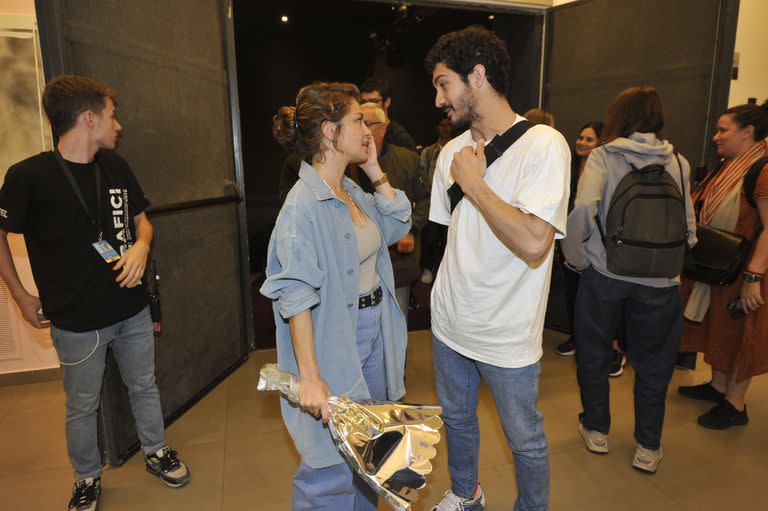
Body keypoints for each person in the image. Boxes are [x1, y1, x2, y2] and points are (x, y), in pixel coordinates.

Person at [0, 75, 189, 511]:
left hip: (132, 310)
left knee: (144, 386)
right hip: (76, 321)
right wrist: (21, 296)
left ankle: (156, 452)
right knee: (81, 407)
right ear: (88, 118)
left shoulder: (116, 166)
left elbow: (143, 221)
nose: (117, 125)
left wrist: (142, 245)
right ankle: (86, 477)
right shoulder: (28, 176)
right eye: (111, 115)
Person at [426, 26, 570, 511]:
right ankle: (466, 494)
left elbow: (534, 242)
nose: (439, 98)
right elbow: (453, 239)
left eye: (445, 83)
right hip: (449, 323)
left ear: (478, 76)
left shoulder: (544, 146)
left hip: (507, 333)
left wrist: (476, 183)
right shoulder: (449, 152)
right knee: (458, 421)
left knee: (524, 439)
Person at [261, 82, 411, 511]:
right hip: (333, 341)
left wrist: (375, 170)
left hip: (375, 334)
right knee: (326, 471)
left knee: (369, 455)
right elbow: (295, 297)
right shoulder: (301, 208)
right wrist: (309, 375)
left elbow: (399, 225)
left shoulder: (352, 190)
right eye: (358, 120)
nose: (368, 128)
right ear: (329, 131)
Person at [561, 86, 697, 474]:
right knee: (654, 363)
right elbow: (689, 223)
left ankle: (597, 429)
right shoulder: (680, 162)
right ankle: (648, 447)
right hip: (661, 280)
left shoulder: (604, 157)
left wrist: (576, 258)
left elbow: (584, 208)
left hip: (606, 272)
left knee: (594, 350)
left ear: (619, 116)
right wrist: (671, 261)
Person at [678, 102, 768, 429]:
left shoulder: (762, 169)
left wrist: (754, 276)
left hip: (747, 268)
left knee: (742, 334)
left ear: (748, 132)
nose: (716, 137)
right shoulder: (728, 165)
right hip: (722, 265)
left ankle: (735, 404)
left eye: (723, 130)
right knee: (719, 328)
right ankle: (718, 387)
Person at [555, 121, 629, 378]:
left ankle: (615, 349)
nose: (582, 142)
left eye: (589, 139)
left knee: (603, 303)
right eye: (580, 137)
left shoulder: (605, 169)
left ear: (600, 144)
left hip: (597, 247)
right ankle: (577, 338)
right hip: (569, 242)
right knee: (574, 296)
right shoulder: (570, 169)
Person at [346, 102, 429, 320]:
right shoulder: (346, 164)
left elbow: (425, 200)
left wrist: (410, 228)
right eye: (358, 123)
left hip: (398, 261)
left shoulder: (408, 160)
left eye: (368, 123)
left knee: (396, 322)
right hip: (359, 263)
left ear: (384, 128)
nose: (363, 130)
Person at [420, 114, 453, 285]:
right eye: (442, 125)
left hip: (452, 202)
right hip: (432, 201)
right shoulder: (429, 151)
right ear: (437, 127)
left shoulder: (458, 148)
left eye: (448, 125)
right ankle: (427, 267)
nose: (445, 128)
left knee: (449, 239)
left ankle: (443, 271)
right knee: (430, 238)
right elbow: (422, 175)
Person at [360, 77, 417, 151]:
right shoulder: (358, 131)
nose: (368, 106)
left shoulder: (400, 138)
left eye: (373, 101)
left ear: (387, 102)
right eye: (364, 102)